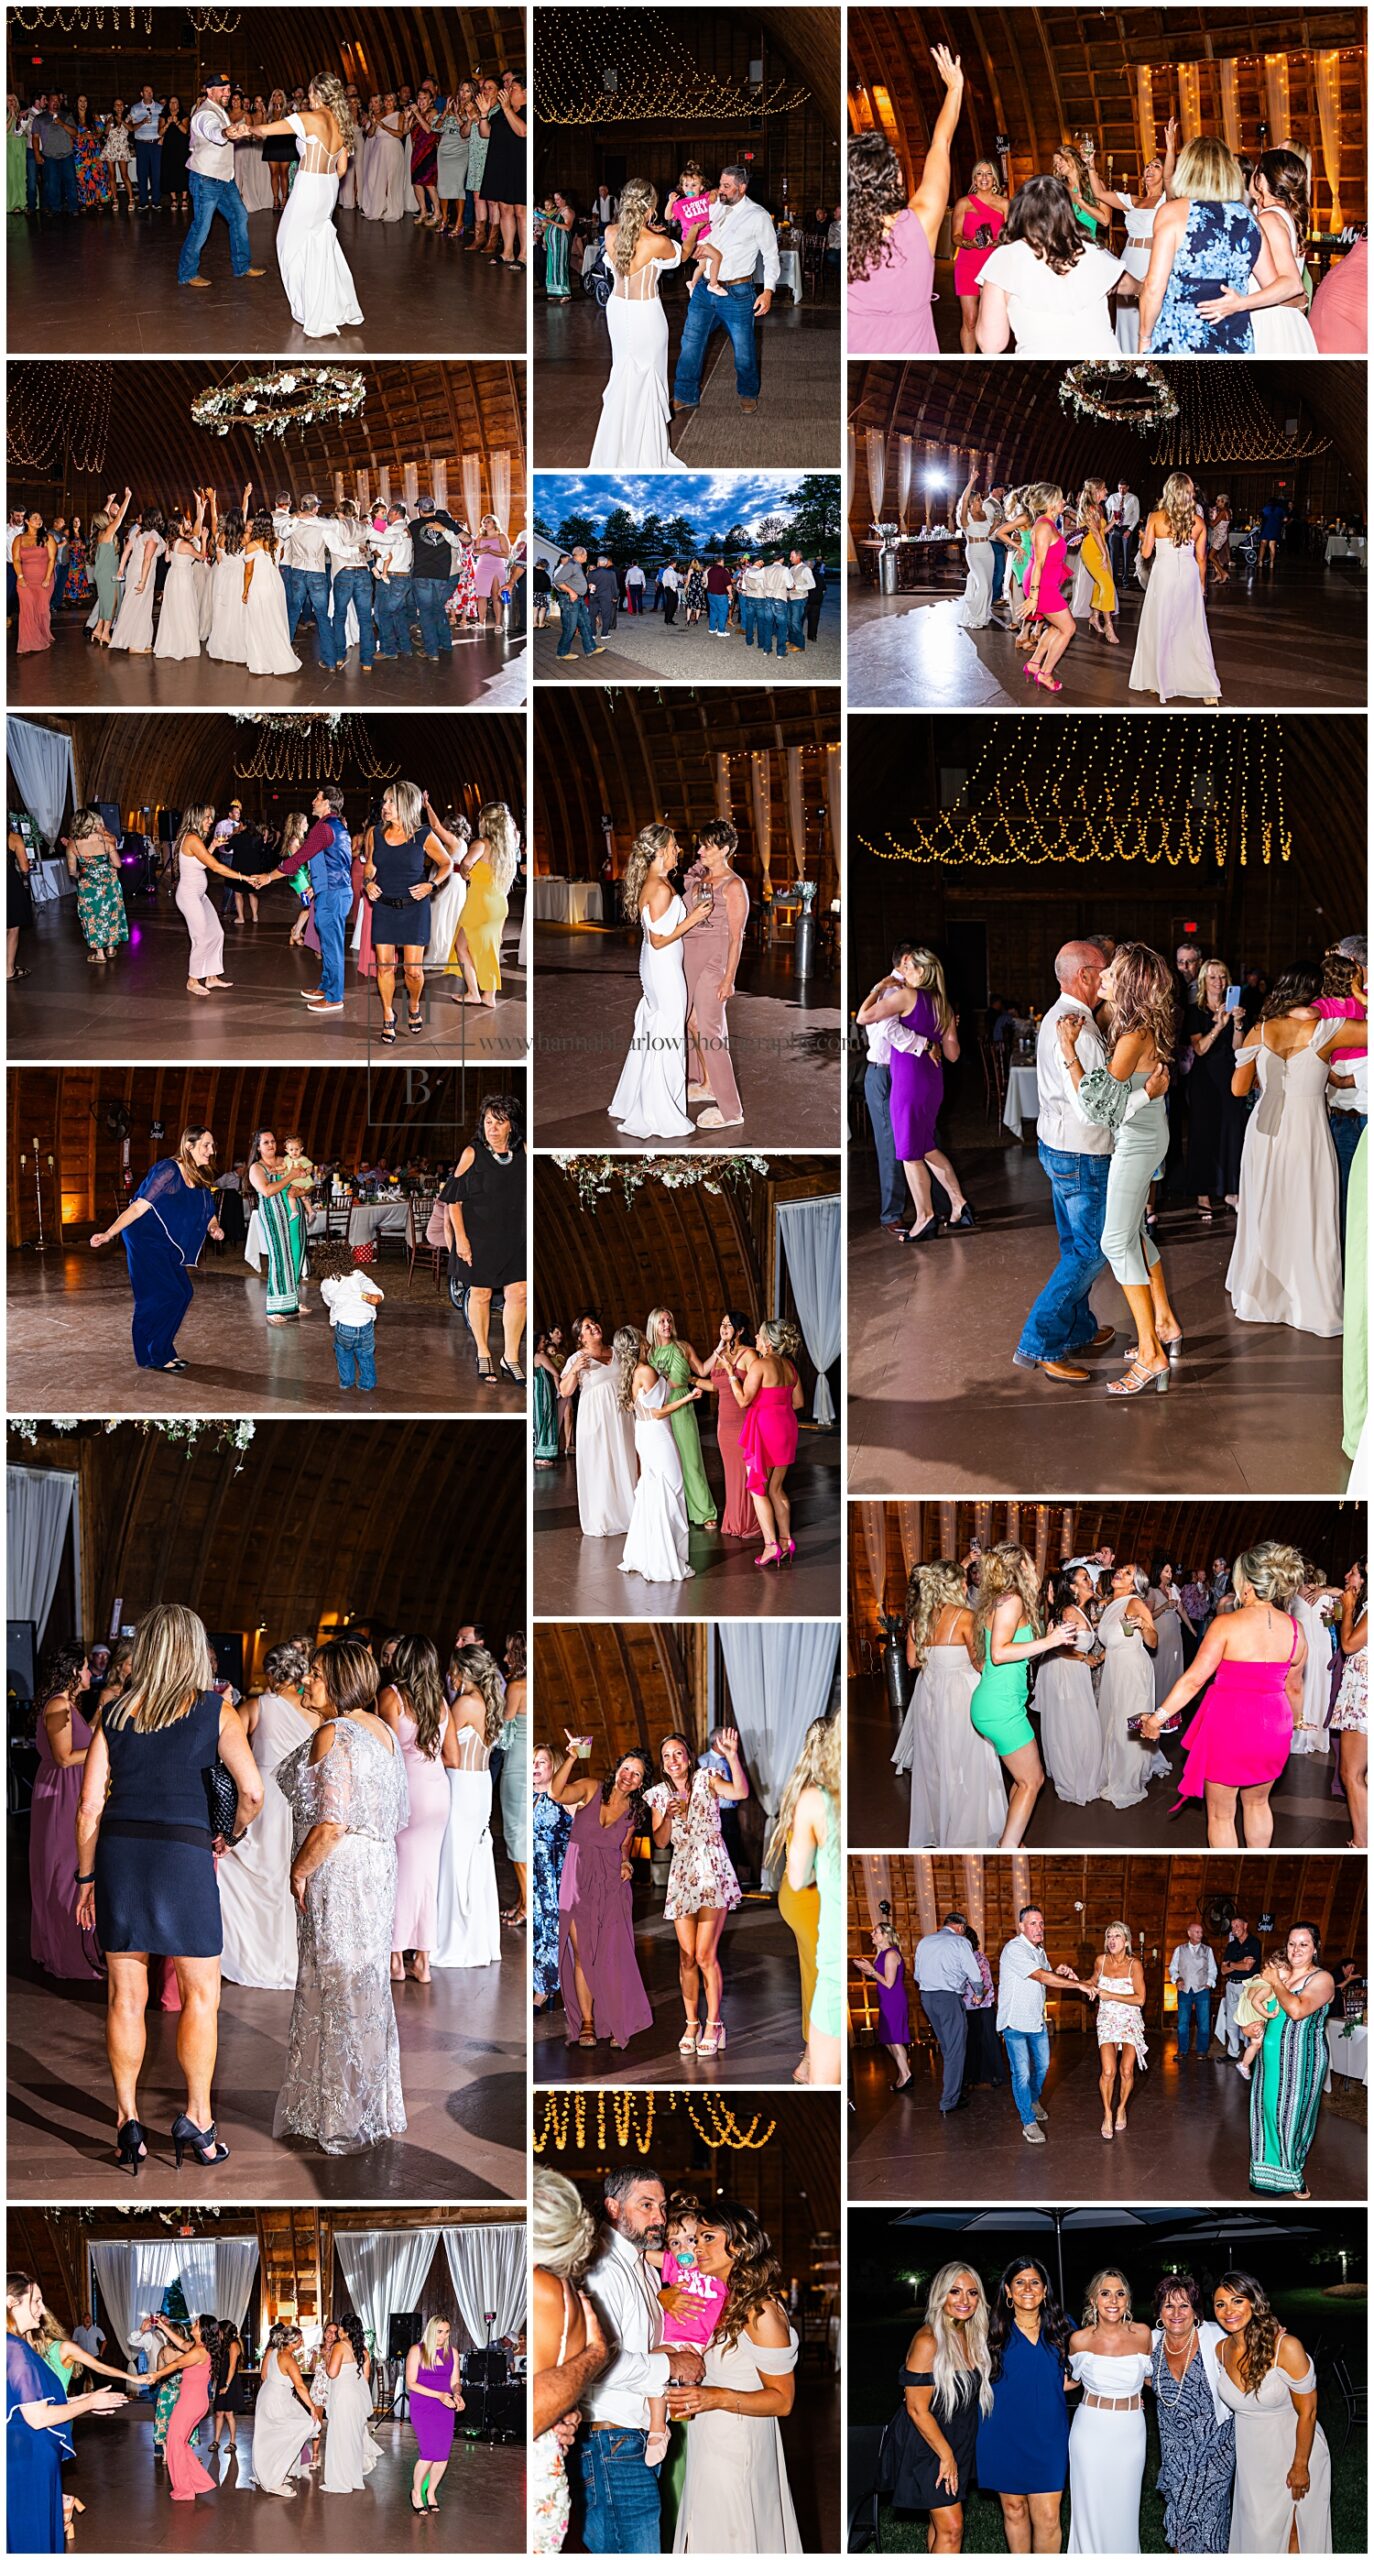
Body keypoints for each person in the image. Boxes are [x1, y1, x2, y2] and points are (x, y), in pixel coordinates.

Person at [73, 1605, 265, 2172]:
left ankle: (127, 2124)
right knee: (200, 1996)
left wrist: (86, 1878)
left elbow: (89, 1805)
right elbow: (251, 1792)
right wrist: (229, 1832)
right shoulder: (216, 1710)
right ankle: (198, 2123)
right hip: (183, 1856)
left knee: (124, 1998)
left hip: (121, 1855)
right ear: (193, 1650)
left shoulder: (115, 1712)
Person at [274, 1636, 410, 2153]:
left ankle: (339, 2112)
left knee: (335, 1983)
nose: (306, 1679)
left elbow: (332, 1821)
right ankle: (368, 2102)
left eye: (314, 1673)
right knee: (365, 1986)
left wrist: (299, 1870)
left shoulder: (335, 1732)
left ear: (339, 1681)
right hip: (376, 1866)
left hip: (342, 1869)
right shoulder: (383, 1731)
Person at [1056, 943, 1185, 1394]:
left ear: (1127, 983)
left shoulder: (1132, 1036)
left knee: (1115, 1239)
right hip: (1146, 1135)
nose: (1103, 976)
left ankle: (1151, 1353)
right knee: (1133, 1235)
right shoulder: (1136, 1026)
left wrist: (1068, 1050)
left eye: (1111, 972)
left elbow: (1098, 1109)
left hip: (1138, 1142)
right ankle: (1165, 1324)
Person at [1143, 1540, 1308, 1847]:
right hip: (1274, 1728)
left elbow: (1193, 1681)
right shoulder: (1296, 1630)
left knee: (1221, 1814)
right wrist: (1294, 1725)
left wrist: (1157, 1718)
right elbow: (1295, 1687)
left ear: (1245, 1584)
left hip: (1231, 1726)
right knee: (1259, 1804)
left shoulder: (1226, 1624)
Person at [577, 2170, 705, 2553]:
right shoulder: (600, 2267)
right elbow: (597, 2362)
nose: (660, 2219)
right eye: (646, 2205)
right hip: (611, 2439)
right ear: (614, 2207)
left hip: (639, 2437)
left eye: (662, 2207)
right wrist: (672, 2366)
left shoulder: (644, 2270)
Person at [667, 2202, 800, 2552]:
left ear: (739, 2246)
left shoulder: (761, 2310)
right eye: (696, 2239)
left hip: (738, 2447)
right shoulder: (723, 2302)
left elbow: (783, 2400)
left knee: (731, 2536)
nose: (696, 2247)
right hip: (710, 2441)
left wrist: (713, 2396)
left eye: (708, 2238)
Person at [1227, 971, 1344, 1336]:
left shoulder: (1261, 1030)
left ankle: (1262, 1294)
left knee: (1265, 1206)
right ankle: (1308, 1300)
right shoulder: (1330, 1029)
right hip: (1308, 1128)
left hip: (1266, 1126)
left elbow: (1238, 1088)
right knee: (1309, 1209)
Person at [847, 48, 965, 354]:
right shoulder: (920, 224)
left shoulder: (847, 243)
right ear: (897, 179)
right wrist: (954, 88)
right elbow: (942, 143)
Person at [218, 1640, 316, 1990]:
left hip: (264, 1798)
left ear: (272, 1672)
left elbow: (226, 1740)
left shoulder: (258, 1705)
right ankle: (290, 1958)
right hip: (301, 1800)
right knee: (290, 1876)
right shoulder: (314, 1710)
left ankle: (249, 1954)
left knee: (239, 1867)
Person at [856, 948, 973, 1241]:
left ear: (921, 972)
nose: (903, 973)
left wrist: (877, 989)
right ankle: (959, 1204)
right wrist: (949, 1028)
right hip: (933, 1081)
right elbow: (953, 1054)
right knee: (927, 1146)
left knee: (909, 1153)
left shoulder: (907, 997)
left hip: (907, 1081)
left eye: (908, 968)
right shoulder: (943, 1005)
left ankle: (925, 1218)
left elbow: (863, 1017)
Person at [7, 2273, 128, 2552]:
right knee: (31, 2535)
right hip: (28, 2458)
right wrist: (89, 2404)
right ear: (11, 2302)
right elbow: (37, 2418)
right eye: (36, 2301)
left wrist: (81, 2397)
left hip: (21, 2455)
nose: (42, 2309)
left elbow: (25, 2405)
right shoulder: (15, 2348)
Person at [645, 1728, 747, 2057]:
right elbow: (659, 1842)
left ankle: (715, 2024)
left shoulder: (707, 1778)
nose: (673, 1760)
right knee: (686, 1956)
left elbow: (740, 1792)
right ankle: (692, 2023)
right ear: (662, 1765)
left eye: (678, 1753)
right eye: (667, 1756)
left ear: (688, 1757)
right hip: (682, 1873)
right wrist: (668, 1818)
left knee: (705, 1955)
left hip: (712, 1867)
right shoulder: (659, 1794)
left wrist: (731, 1755)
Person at [89, 1125, 224, 1372]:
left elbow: (208, 1211)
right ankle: (150, 1354)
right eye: (206, 1145)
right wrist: (109, 1233)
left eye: (212, 1145)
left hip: (167, 1240)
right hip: (144, 1237)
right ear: (188, 1146)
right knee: (158, 1295)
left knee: (183, 1293)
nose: (211, 1150)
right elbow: (139, 1207)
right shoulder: (168, 1170)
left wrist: (213, 1227)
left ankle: (162, 1349)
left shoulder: (201, 1174)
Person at [1213, 2270, 1331, 2546]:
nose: (1228, 2310)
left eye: (1237, 2301)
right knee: (1257, 2532)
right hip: (1252, 2458)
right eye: (1220, 2304)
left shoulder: (1285, 2347)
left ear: (1254, 2303)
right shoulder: (1220, 2349)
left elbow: (1309, 2412)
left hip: (1293, 2449)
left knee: (1292, 2531)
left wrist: (1300, 2466)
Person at [609, 823, 710, 1140]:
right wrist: (693, 919)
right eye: (674, 846)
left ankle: (640, 1099)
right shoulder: (662, 887)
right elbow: (658, 940)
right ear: (661, 850)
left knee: (657, 1031)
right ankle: (658, 1110)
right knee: (667, 1035)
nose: (678, 850)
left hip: (656, 968)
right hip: (663, 969)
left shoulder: (657, 882)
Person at [970, 1542, 1075, 1846]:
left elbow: (1015, 1654)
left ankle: (1009, 1839)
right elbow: (999, 1653)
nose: (1035, 1566)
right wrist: (1048, 1641)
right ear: (1021, 1568)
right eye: (1031, 1561)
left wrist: (1050, 1641)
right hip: (1000, 1706)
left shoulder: (1004, 1601)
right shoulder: (1011, 1601)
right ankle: (1007, 1848)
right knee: (1033, 1781)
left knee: (1023, 1779)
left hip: (1002, 1703)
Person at [894, 1558, 1004, 1846]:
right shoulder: (965, 1617)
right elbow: (980, 1664)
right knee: (969, 1759)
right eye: (963, 1580)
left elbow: (912, 1661)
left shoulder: (919, 1619)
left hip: (929, 1694)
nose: (967, 1584)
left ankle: (941, 1823)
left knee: (937, 1763)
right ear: (953, 1585)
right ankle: (969, 1826)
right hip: (961, 1694)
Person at [551, 1740, 653, 2048]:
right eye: (627, 1769)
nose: (629, 1776)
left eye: (637, 1774)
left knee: (608, 1955)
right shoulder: (590, 1787)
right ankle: (588, 2022)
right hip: (577, 1876)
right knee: (582, 1953)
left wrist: (626, 1864)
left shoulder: (634, 1811)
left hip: (610, 1883)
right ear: (617, 1768)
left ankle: (611, 2017)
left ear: (640, 1783)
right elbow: (556, 1793)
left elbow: (623, 1847)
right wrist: (570, 1757)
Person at [532, 2167, 610, 2555]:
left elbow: (535, 2406)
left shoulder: (543, 2286)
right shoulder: (562, 2288)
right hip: (546, 2463)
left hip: (537, 2476)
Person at [976, 2260, 1075, 2545]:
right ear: (1008, 2290)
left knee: (1047, 2516)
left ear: (1045, 2291)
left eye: (1035, 2282)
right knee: (1014, 2510)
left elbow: (1084, 2369)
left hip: (1048, 2434)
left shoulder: (1063, 2326)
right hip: (1002, 2432)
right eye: (1019, 2282)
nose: (1027, 2288)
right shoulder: (990, 2329)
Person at [589, 179, 686, 470]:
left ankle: (617, 449)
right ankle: (648, 453)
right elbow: (683, 254)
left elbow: (626, 248)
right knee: (649, 378)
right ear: (652, 207)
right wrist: (692, 231)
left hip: (617, 310)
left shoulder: (609, 232)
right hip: (646, 313)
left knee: (623, 374)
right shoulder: (659, 242)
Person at [671, 162, 780, 418]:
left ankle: (747, 393)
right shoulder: (713, 205)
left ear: (742, 187)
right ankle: (685, 395)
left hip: (738, 292)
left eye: (727, 186)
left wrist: (768, 290)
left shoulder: (758, 215)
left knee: (743, 349)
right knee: (690, 342)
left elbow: (771, 255)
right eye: (720, 184)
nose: (720, 189)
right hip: (704, 288)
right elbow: (691, 224)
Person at [1137, 138, 1261, 351]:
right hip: (1235, 337)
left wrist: (1144, 337)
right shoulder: (1249, 218)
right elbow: (1277, 283)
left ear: (1186, 169)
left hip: (1182, 337)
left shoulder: (1173, 212)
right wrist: (1243, 303)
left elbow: (1154, 286)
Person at [978, 175, 1124, 355]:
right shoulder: (1092, 250)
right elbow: (1128, 284)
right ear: (1066, 211)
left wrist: (987, 294)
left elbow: (991, 344)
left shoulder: (1006, 257)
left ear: (1019, 211)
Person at [1066, 2270, 1153, 2554]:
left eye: (1120, 2293)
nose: (1113, 2300)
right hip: (1090, 2429)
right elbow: (1070, 2380)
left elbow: (1158, 2375)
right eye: (1105, 2293)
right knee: (1091, 2503)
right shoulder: (1079, 2340)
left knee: (1125, 2504)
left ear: (1128, 2300)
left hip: (1130, 2428)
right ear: (1094, 2300)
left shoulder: (1143, 2334)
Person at [1147, 2275, 1235, 2556]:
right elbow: (1138, 2374)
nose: (1176, 2314)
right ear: (1159, 2311)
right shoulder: (1151, 2343)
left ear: (1196, 2311)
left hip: (1215, 2448)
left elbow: (1252, 2350)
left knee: (1209, 2524)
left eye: (1184, 2306)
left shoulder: (1215, 2337)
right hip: (1175, 2452)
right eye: (1168, 2306)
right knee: (1179, 2523)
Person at [1247, 1926, 1335, 2197]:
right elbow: (1257, 2009)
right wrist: (1249, 2028)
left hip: (1300, 2061)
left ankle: (1293, 2177)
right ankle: (1266, 2174)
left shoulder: (1322, 1979)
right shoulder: (1281, 1973)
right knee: (1266, 2113)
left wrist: (1275, 1982)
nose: (1296, 1950)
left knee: (1291, 2119)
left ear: (1315, 1948)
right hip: (1270, 2058)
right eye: (1291, 1944)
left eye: (1303, 1945)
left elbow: (1297, 2010)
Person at [29, 1646, 100, 1980]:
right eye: (85, 1669)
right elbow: (64, 1757)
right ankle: (64, 1953)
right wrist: (104, 1747)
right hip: (60, 1793)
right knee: (62, 1870)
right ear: (72, 1672)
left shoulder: (69, 1706)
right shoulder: (58, 1705)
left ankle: (65, 1945)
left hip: (67, 1788)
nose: (89, 1674)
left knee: (66, 1866)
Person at [996, 1904, 1095, 2144]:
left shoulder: (1039, 1950)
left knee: (1042, 2068)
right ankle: (1028, 2122)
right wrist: (1078, 1984)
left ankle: (1031, 2098)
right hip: (1015, 2023)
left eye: (1041, 1923)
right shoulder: (1014, 1949)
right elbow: (1040, 1976)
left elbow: (1046, 1974)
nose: (1039, 1928)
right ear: (1021, 1926)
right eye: (1033, 1923)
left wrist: (1059, 1971)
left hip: (1035, 2021)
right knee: (1021, 2073)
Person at [432, 1643, 505, 1968]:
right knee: (474, 1858)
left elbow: (447, 1751)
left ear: (463, 1671)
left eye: (453, 1669)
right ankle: (478, 1940)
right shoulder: (490, 1702)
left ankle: (453, 1940)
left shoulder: (463, 1703)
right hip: (480, 1784)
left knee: (454, 1859)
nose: (450, 1675)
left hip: (460, 1783)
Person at [1083, 125, 1178, 349]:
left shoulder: (1168, 200)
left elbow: (1170, 176)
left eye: (1156, 166)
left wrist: (1171, 145)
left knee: (1148, 313)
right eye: (1147, 166)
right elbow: (1099, 194)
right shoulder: (1131, 201)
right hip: (1128, 259)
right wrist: (1090, 166)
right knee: (1125, 318)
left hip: (1152, 259)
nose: (1150, 169)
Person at [681, 821, 750, 1129]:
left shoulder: (733, 886)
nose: (700, 850)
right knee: (692, 1022)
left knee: (711, 1031)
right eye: (701, 844)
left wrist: (728, 978)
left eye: (707, 846)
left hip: (714, 961)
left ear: (723, 849)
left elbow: (737, 937)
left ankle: (731, 1110)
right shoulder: (702, 876)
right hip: (689, 956)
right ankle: (705, 1083)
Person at [1130, 476, 1221, 704]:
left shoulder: (1155, 518)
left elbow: (1147, 553)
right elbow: (1201, 559)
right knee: (1191, 629)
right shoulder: (1199, 522)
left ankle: (1157, 680)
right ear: (1189, 493)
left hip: (1164, 575)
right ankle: (1206, 686)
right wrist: (1201, 586)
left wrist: (1143, 538)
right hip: (1188, 575)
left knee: (1160, 624)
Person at [723, 1318, 804, 1568]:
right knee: (776, 1488)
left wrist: (731, 1375)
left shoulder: (759, 1365)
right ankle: (785, 1540)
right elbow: (799, 1402)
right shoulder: (790, 1367)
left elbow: (743, 1400)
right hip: (786, 1427)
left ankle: (771, 1546)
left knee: (758, 1489)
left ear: (768, 1342)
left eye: (758, 1336)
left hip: (765, 1430)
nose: (756, 1339)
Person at [178, 76, 267, 290]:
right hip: (205, 179)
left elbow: (225, 132)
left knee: (239, 216)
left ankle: (242, 266)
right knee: (201, 227)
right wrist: (226, 132)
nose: (227, 92)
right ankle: (187, 273)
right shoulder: (204, 113)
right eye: (222, 89)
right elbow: (212, 130)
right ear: (209, 91)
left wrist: (237, 132)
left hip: (224, 178)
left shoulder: (220, 111)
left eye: (229, 89)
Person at [559, 1313, 638, 1536]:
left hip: (621, 1415)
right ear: (580, 1338)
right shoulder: (577, 1358)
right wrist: (575, 1370)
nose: (594, 1327)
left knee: (626, 1458)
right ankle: (603, 1515)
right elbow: (565, 1391)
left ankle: (629, 1512)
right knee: (601, 1463)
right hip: (595, 1418)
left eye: (594, 1323)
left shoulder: (617, 1352)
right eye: (587, 1326)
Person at [1035, 1567, 1107, 1809]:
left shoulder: (1081, 1610)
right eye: (1085, 1578)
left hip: (1075, 1672)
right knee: (1070, 1724)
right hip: (1064, 1671)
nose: (1091, 1580)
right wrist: (1082, 1657)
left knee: (1080, 1723)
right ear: (1074, 1587)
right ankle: (1071, 1776)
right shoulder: (1068, 1611)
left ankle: (1082, 1771)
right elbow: (1055, 1646)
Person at [1095, 1564, 1166, 1809]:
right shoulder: (1109, 1605)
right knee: (1113, 1721)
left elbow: (1154, 1642)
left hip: (1133, 1669)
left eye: (1127, 1573)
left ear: (1135, 1584)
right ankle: (1115, 1767)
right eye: (1121, 1570)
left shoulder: (1135, 1603)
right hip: (1114, 1669)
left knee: (1129, 1720)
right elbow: (1111, 1643)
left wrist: (1143, 1625)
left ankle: (1128, 1777)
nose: (1120, 1573)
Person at [1185, 958, 1248, 1214]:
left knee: (1232, 1131)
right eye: (1213, 977)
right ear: (1203, 981)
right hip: (1204, 1080)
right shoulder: (1195, 1011)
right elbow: (1199, 1049)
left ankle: (1231, 1189)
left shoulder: (1235, 1008)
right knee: (1203, 1133)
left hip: (1229, 1076)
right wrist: (1217, 1026)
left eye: (1222, 977)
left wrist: (1237, 1023)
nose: (1218, 982)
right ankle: (1203, 1193)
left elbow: (1238, 1048)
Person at [911, 1910, 982, 2114]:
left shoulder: (926, 1941)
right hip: (948, 1998)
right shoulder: (960, 1943)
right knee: (955, 2050)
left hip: (927, 1998)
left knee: (948, 2047)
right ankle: (950, 2100)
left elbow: (917, 1974)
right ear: (961, 1927)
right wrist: (978, 1992)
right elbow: (973, 1972)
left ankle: (952, 2091)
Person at [1085, 1923, 1148, 2142]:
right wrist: (1074, 1979)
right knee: (1109, 2071)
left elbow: (1140, 1999)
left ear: (1127, 1941)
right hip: (1107, 2020)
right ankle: (1107, 2113)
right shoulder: (1101, 1962)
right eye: (1109, 1936)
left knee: (1127, 2071)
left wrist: (1111, 1995)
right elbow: (1092, 1983)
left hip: (1129, 2021)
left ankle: (1121, 2107)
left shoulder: (1134, 1965)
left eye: (1117, 1936)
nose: (1112, 1940)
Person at [252, 2322, 320, 2497]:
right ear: (293, 2341)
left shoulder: (275, 2351)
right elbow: (300, 2386)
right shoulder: (288, 2358)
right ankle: (273, 2479)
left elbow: (265, 2375)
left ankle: (268, 2473)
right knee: (289, 2433)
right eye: (301, 2340)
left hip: (269, 2394)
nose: (303, 2343)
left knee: (269, 2437)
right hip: (277, 2399)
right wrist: (312, 2408)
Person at [406, 2317, 463, 2514]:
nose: (443, 2336)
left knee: (442, 2455)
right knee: (429, 2452)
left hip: (445, 2406)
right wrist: (438, 2395)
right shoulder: (417, 2351)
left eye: (447, 2332)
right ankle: (416, 2492)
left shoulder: (452, 2353)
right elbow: (411, 2383)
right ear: (431, 2331)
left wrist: (457, 2394)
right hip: (423, 2406)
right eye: (439, 2331)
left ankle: (431, 2493)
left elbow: (455, 2381)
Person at [532, 1746, 573, 2010]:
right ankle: (538, 1982)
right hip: (534, 1875)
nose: (535, 1766)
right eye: (532, 1761)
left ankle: (545, 1990)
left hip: (553, 1876)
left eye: (541, 1762)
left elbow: (589, 1827)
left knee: (551, 1930)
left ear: (554, 1766)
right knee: (536, 1930)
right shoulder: (528, 1796)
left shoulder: (563, 1798)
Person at [1332, 1563, 1368, 1847]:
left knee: (1351, 1773)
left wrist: (1348, 1609)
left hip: (1363, 1699)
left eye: (1354, 1572)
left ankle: (1361, 1842)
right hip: (1360, 1694)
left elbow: (1348, 1645)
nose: (1347, 1576)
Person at [322, 2315, 378, 2493]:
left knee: (340, 2436)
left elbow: (331, 2373)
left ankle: (340, 2479)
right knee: (353, 2436)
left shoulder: (339, 2346)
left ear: (343, 2329)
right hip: (356, 2398)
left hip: (342, 2397)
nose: (337, 2331)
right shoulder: (364, 2352)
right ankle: (353, 2478)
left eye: (339, 2327)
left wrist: (326, 2358)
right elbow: (366, 2378)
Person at [854, 1921, 912, 2091]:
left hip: (894, 1999)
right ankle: (904, 2073)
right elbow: (879, 1976)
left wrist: (871, 1970)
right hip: (886, 2000)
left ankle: (906, 2074)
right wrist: (866, 1969)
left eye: (876, 1932)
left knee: (894, 2039)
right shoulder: (882, 1953)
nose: (872, 1935)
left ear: (886, 1935)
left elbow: (888, 1982)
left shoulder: (891, 1954)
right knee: (888, 2039)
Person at [1170, 1921, 1218, 2061]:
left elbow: (1213, 1969)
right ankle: (1182, 2050)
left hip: (1202, 1989)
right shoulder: (1180, 1949)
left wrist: (1209, 1983)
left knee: (1203, 2022)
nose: (1200, 1934)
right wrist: (1177, 1979)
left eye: (1201, 1932)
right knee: (1183, 2022)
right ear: (1189, 1933)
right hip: (1185, 1989)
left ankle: (1202, 2051)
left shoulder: (1207, 1950)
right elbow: (1173, 1968)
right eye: (1197, 1932)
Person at [12, 509, 55, 653]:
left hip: (44, 579)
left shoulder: (47, 538)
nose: (39, 520)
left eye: (40, 517)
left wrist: (48, 578)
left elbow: (51, 560)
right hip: (24, 580)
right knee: (27, 610)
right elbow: (16, 560)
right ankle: (28, 643)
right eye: (35, 518)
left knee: (42, 609)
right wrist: (20, 577)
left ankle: (43, 634)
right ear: (27, 521)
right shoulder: (19, 539)